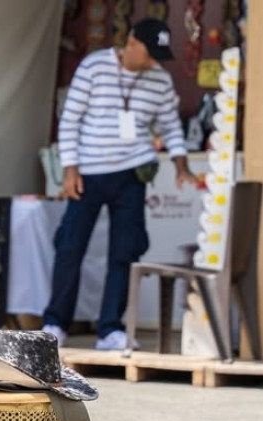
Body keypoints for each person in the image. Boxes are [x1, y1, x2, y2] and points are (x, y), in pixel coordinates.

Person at [42, 18, 198, 351]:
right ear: (131, 43)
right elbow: (70, 120)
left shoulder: (159, 79)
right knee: (70, 247)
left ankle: (110, 328)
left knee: (125, 251)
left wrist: (182, 165)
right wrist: (70, 171)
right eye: (150, 53)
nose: (155, 61)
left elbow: (170, 126)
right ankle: (56, 322)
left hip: (132, 173)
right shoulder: (93, 67)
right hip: (88, 172)